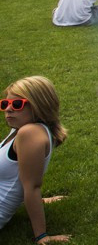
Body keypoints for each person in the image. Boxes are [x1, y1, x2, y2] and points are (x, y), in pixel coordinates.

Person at [0, 76, 69, 242]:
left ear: (38, 105)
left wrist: (42, 236)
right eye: (5, 104)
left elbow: (32, 185)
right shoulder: (19, 129)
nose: (9, 109)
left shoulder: (29, 133)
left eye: (17, 104)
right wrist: (41, 200)